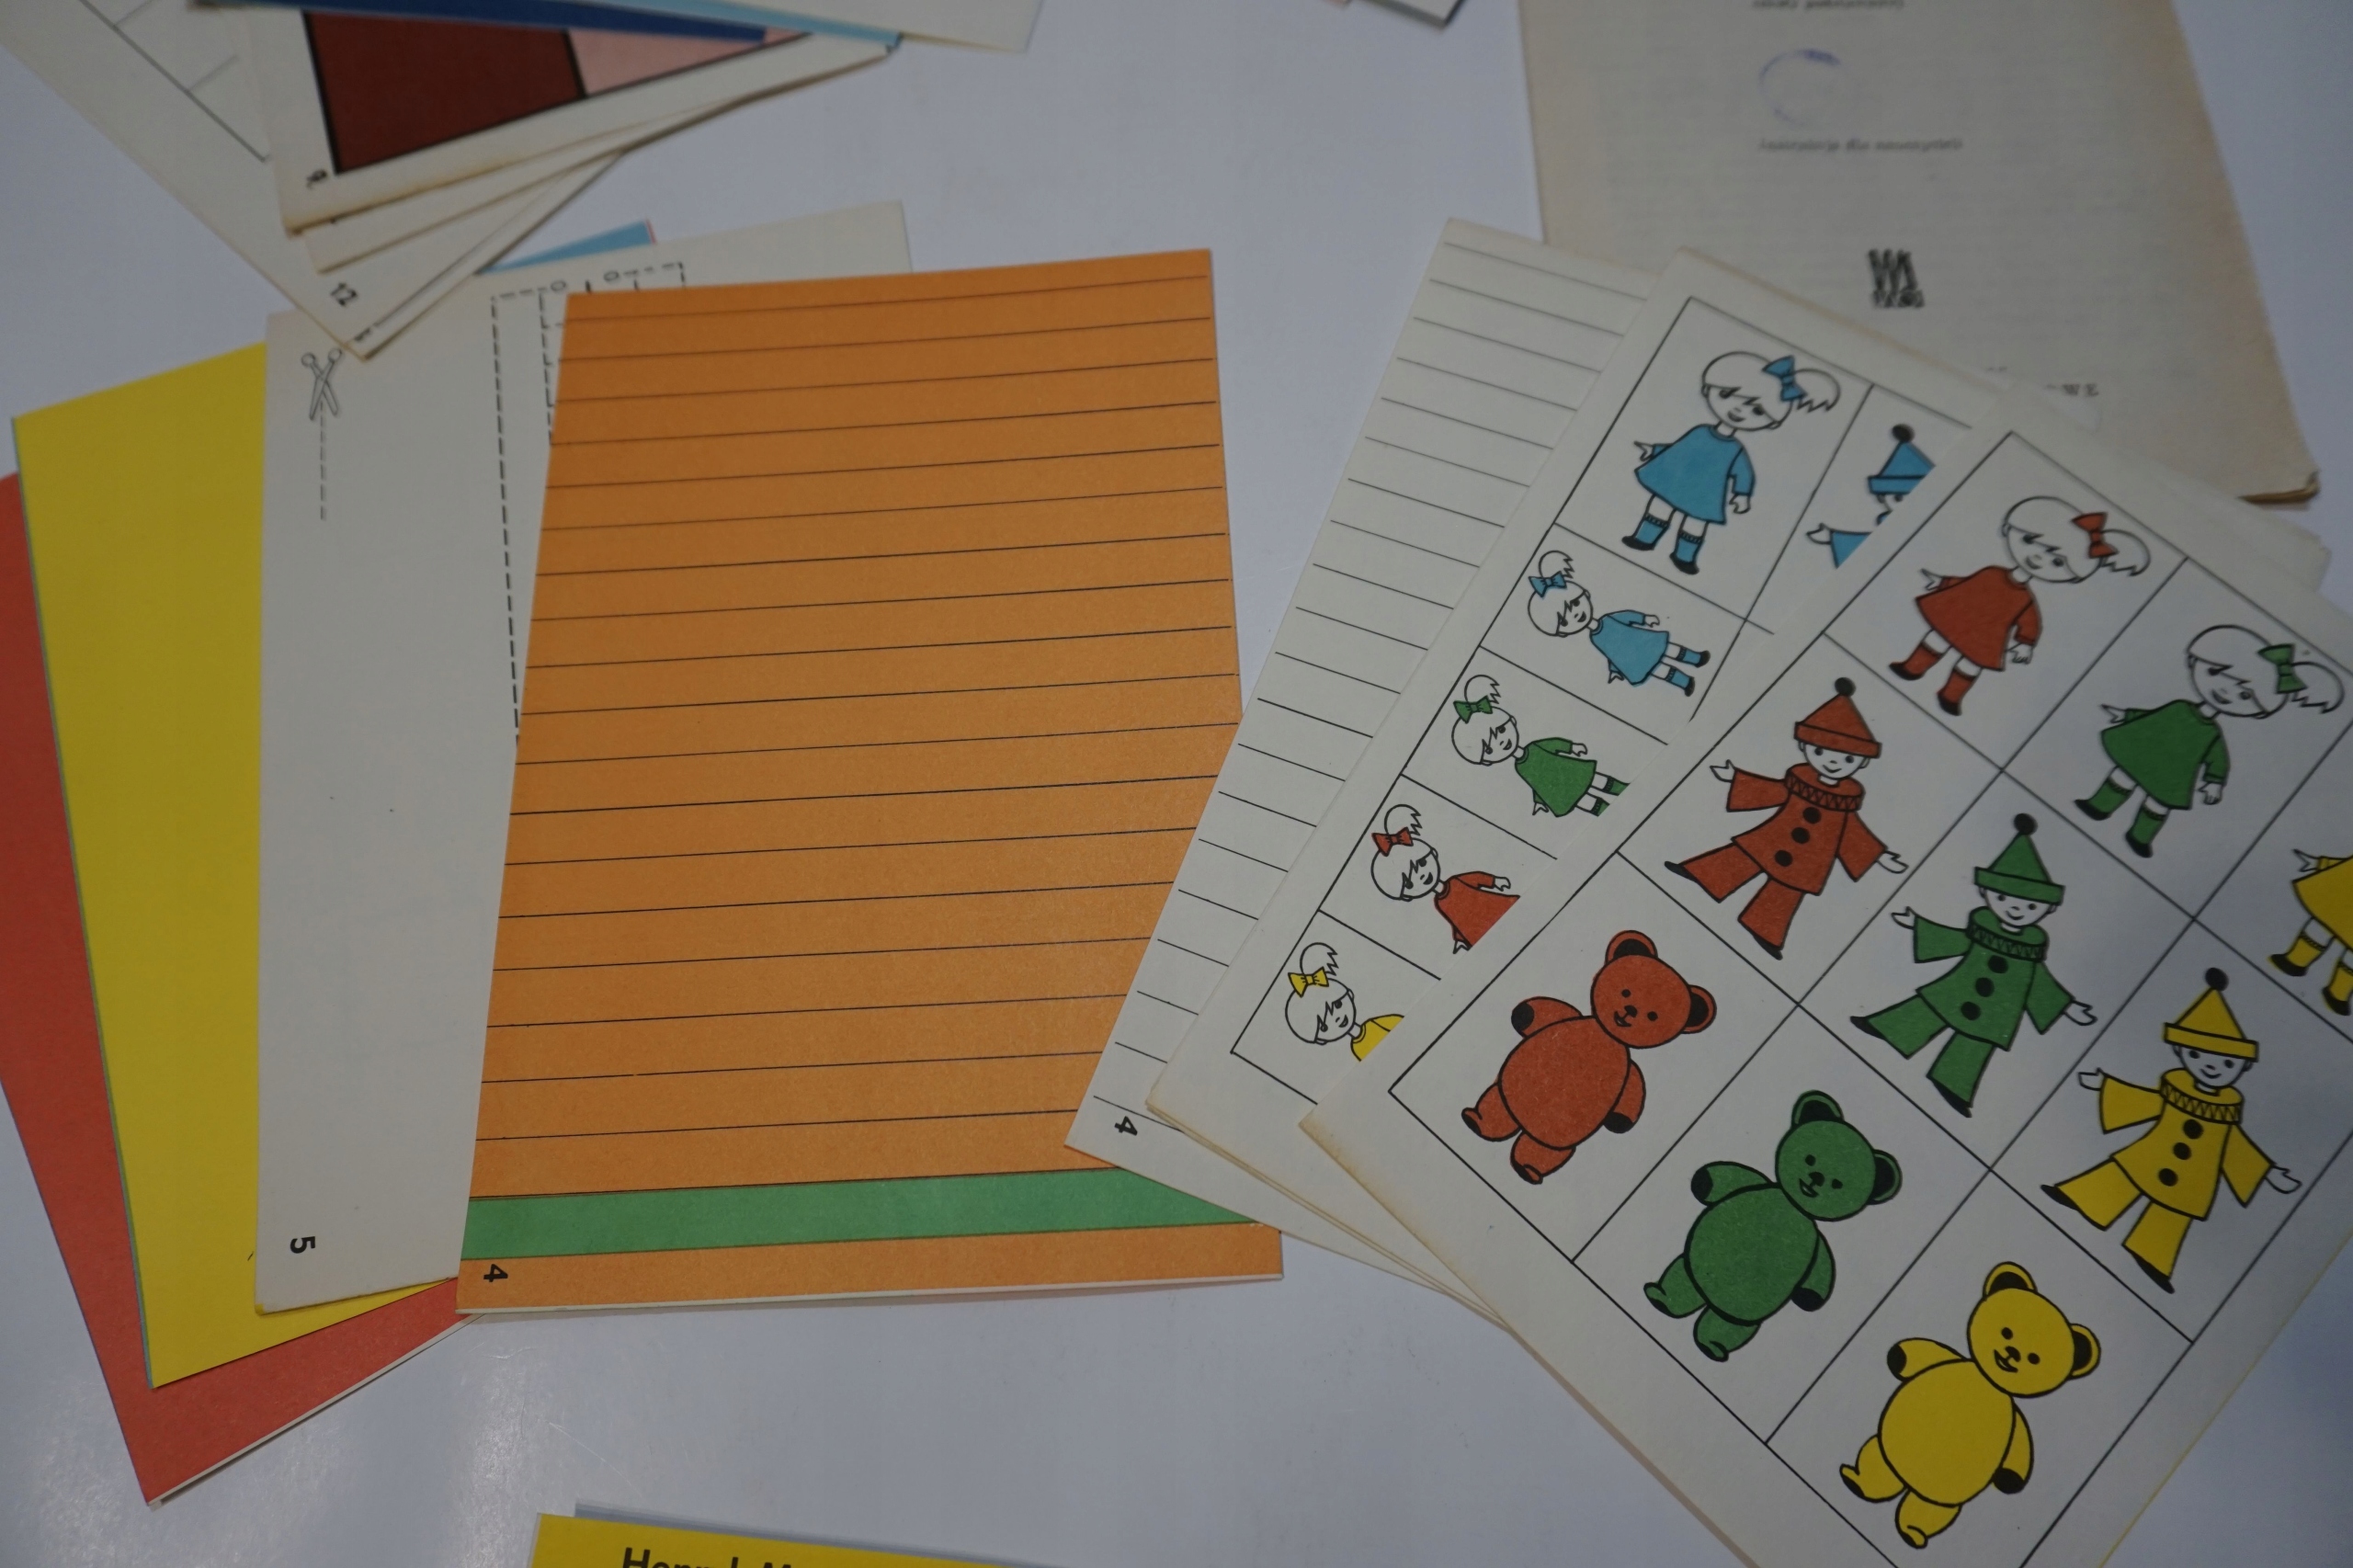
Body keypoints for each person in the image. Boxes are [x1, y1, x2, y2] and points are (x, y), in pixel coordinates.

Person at [2043, 970, 2300, 1293]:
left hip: (2192, 1179)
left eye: (2227, 1063)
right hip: (2150, 1157)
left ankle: (2151, 1255)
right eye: (2196, 1054)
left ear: (2243, 1066)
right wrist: (2105, 1085)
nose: (2211, 1067)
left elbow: (2238, 1148)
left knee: (2173, 1215)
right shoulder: (2175, 1090)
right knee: (2120, 1176)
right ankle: (2083, 1200)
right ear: (2180, 1051)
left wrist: (2268, 1173)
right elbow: (2144, 1101)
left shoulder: (2226, 1114)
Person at [1852, 814, 2095, 1115]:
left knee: (1975, 1044)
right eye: (2003, 897)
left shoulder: (2031, 950)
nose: (2015, 909)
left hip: (1995, 1012)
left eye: (2031, 905)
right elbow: (1955, 940)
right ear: (1985, 893)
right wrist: (1918, 925)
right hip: (1959, 988)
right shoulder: (1981, 929)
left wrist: (2067, 1007)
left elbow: (2040, 983)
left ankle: (1952, 1083)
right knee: (1928, 1010)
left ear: (2050, 908)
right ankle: (1888, 1030)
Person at [1666, 678, 1904, 959]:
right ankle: (1701, 875)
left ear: (1862, 762)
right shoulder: (1799, 781)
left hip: (1808, 861)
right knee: (1742, 857)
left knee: (1785, 893)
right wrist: (1736, 777)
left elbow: (1853, 835)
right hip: (1774, 837)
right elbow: (1772, 791)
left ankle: (1764, 930)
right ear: (1805, 747)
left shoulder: (1845, 803)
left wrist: (1878, 857)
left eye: (1848, 759)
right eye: (1820, 751)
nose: (1832, 762)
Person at [2076, 626, 2341, 858]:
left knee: (2157, 805)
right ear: (2195, 662)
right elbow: (2152, 717)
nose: (2226, 691)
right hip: (2145, 754)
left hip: (2173, 774)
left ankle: (2139, 837)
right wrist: (2125, 715)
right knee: (2122, 777)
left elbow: (2218, 761)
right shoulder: (2180, 707)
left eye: (2245, 695)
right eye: (2215, 672)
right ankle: (2098, 806)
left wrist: (2215, 782)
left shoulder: (2213, 734)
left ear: (2258, 710)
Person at [1889, 498, 2149, 715]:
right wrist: (1942, 582)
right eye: (2029, 541)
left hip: (1986, 636)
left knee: (1970, 664)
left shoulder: (2025, 599)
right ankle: (1912, 669)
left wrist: (2025, 644)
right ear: (2009, 530)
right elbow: (1967, 584)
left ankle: (1950, 696)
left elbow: (2030, 623)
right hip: (1959, 616)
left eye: (2057, 562)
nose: (2037, 558)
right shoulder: (1992, 572)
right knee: (1935, 640)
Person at [1624, 350, 1839, 574]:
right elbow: (1678, 450)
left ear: (1771, 423)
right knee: (1659, 508)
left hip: (1705, 493)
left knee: (1695, 524)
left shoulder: (1735, 450)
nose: (1738, 409)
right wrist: (1653, 450)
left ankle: (1684, 557)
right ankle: (1643, 540)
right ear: (1707, 390)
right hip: (1675, 481)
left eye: (1757, 410)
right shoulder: (1700, 432)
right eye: (1727, 394)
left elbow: (1743, 474)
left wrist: (1742, 494)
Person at [1526, 551, 1710, 695]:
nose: (1576, 614)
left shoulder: (1607, 619)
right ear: (1562, 632)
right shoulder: (1594, 639)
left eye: (1575, 603)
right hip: (1635, 660)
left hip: (1644, 641)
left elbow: (1628, 616)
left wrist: (1645, 619)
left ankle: (1697, 659)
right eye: (1565, 621)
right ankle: (1686, 682)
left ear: (1585, 595)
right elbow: (1611, 655)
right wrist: (1615, 670)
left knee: (1671, 649)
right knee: (1661, 671)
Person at [1449, 674, 1627, 817]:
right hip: (1561, 791)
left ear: (1512, 721)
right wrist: (1540, 801)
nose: (1502, 742)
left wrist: (1572, 747)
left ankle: (1624, 790)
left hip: (1571, 771)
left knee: (1599, 781)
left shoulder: (1533, 748)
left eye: (1502, 730)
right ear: (1486, 761)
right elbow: (1537, 784)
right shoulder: (1520, 768)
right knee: (1588, 804)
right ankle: (1616, 817)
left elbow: (1554, 744)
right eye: (1489, 749)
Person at [1365, 803, 1517, 952]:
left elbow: (1477, 878)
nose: (1422, 875)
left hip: (1493, 906)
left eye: (1422, 863)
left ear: (1433, 854)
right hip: (1475, 931)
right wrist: (1460, 939)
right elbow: (1455, 921)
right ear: (1405, 896)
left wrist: (1495, 881)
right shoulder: (1440, 903)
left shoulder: (1454, 882)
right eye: (1409, 883)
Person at [1282, 942, 1403, 1061]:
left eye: (1338, 1004)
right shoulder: (1356, 1048)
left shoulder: (1374, 1025)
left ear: (1349, 994)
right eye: (1324, 1027)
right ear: (1320, 1040)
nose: (1337, 1018)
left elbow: (1403, 1025)